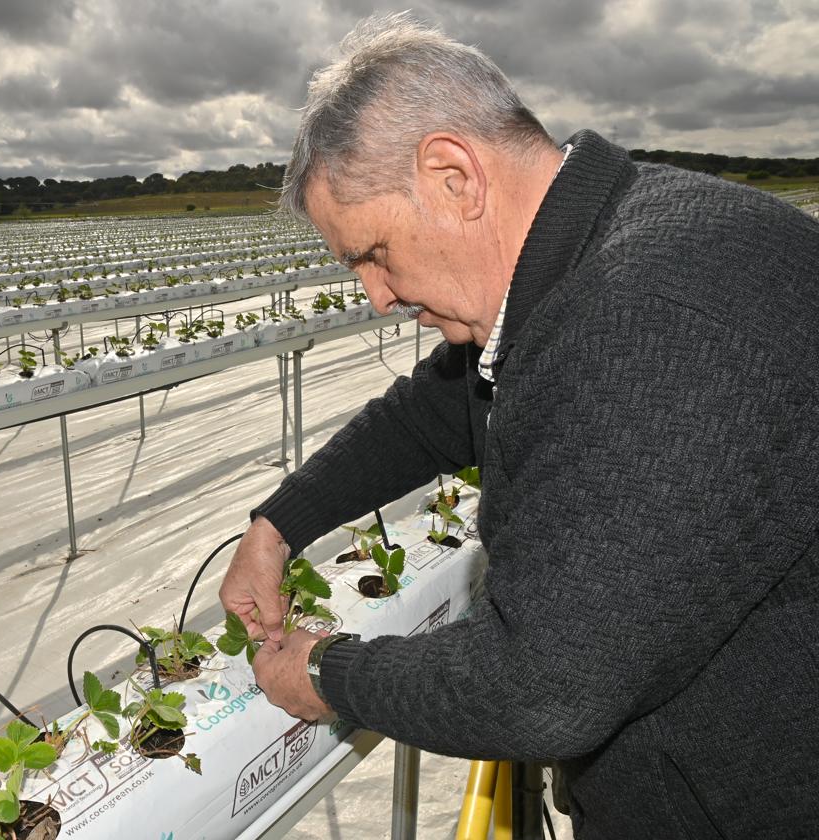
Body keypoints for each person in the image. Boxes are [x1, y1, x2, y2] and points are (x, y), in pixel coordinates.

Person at [219, 12, 819, 839]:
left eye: (374, 253)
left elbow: (544, 686)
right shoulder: (604, 250)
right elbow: (434, 412)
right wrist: (279, 524)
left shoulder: (645, 321)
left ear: (454, 177)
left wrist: (326, 671)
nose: (378, 298)